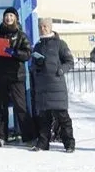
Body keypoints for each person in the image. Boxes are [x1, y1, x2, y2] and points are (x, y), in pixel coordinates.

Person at [0, 7, 34, 146]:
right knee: (1, 107)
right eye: (7, 16)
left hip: (16, 76)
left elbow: (27, 54)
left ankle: (29, 136)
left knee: (21, 107)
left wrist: (14, 52)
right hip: (0, 76)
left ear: (16, 18)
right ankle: (1, 137)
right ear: (3, 18)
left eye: (11, 16)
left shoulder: (21, 35)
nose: (9, 18)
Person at [29, 18, 75, 152]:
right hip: (42, 87)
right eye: (40, 27)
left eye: (45, 26)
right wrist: (36, 65)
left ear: (50, 27)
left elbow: (69, 61)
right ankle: (43, 143)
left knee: (62, 116)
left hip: (56, 86)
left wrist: (61, 70)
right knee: (43, 117)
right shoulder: (37, 46)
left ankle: (69, 143)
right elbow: (32, 66)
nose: (42, 29)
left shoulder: (60, 44)